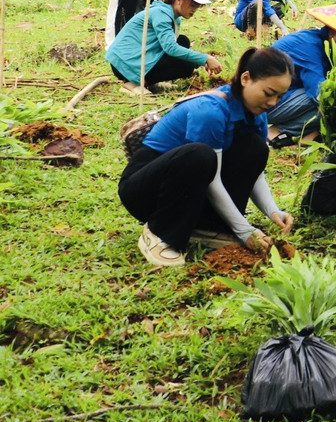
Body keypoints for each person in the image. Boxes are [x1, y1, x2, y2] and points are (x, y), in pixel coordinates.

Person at [120, 47, 296, 267]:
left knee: (256, 148)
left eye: (279, 96)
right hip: (145, 191)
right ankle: (159, 233)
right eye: (269, 93)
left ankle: (207, 227)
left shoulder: (256, 114)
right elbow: (211, 178)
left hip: (190, 186)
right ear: (245, 78)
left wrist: (273, 211)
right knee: (200, 154)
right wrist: (244, 231)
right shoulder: (210, 112)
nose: (272, 103)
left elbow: (255, 171)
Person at [267, 2, 336, 144]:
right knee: (331, 99)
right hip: (266, 101)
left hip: (286, 95)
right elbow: (318, 93)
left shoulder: (324, 44)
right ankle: (276, 131)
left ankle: (306, 133)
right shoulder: (309, 47)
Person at [106, 0, 223, 91]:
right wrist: (205, 58)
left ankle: (149, 82)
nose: (194, 9)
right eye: (192, 4)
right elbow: (170, 48)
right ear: (179, 0)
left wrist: (200, 61)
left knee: (182, 41)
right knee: (186, 66)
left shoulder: (172, 16)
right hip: (124, 63)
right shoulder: (161, 14)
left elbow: (170, 45)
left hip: (137, 57)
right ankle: (132, 83)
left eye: (197, 6)